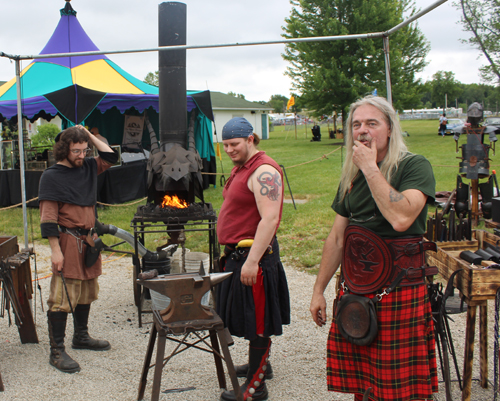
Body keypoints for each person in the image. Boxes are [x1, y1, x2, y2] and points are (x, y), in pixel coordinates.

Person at [310, 96, 438, 401]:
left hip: (398, 286)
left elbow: (402, 218)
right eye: (356, 124)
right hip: (356, 285)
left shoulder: (414, 166)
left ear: (390, 129)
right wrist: (319, 290)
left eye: (372, 123)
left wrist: (370, 168)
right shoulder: (351, 177)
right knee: (363, 382)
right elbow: (337, 238)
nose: (363, 131)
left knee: (399, 388)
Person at [216, 117, 290, 401]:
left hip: (254, 256)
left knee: (258, 320)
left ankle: (256, 388)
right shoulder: (242, 167)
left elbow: (270, 219)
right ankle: (263, 366)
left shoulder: (263, 171)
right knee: (250, 316)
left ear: (250, 139)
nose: (230, 149)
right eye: (225, 145)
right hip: (240, 254)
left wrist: (251, 262)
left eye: (234, 144)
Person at [38, 125, 118, 374]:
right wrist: (55, 251)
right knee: (63, 296)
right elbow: (48, 218)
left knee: (87, 289)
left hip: (89, 240)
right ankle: (57, 351)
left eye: (85, 150)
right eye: (76, 151)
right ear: (63, 149)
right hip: (68, 241)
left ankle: (81, 337)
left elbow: (111, 156)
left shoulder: (88, 167)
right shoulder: (51, 176)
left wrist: (88, 134)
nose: (82, 155)